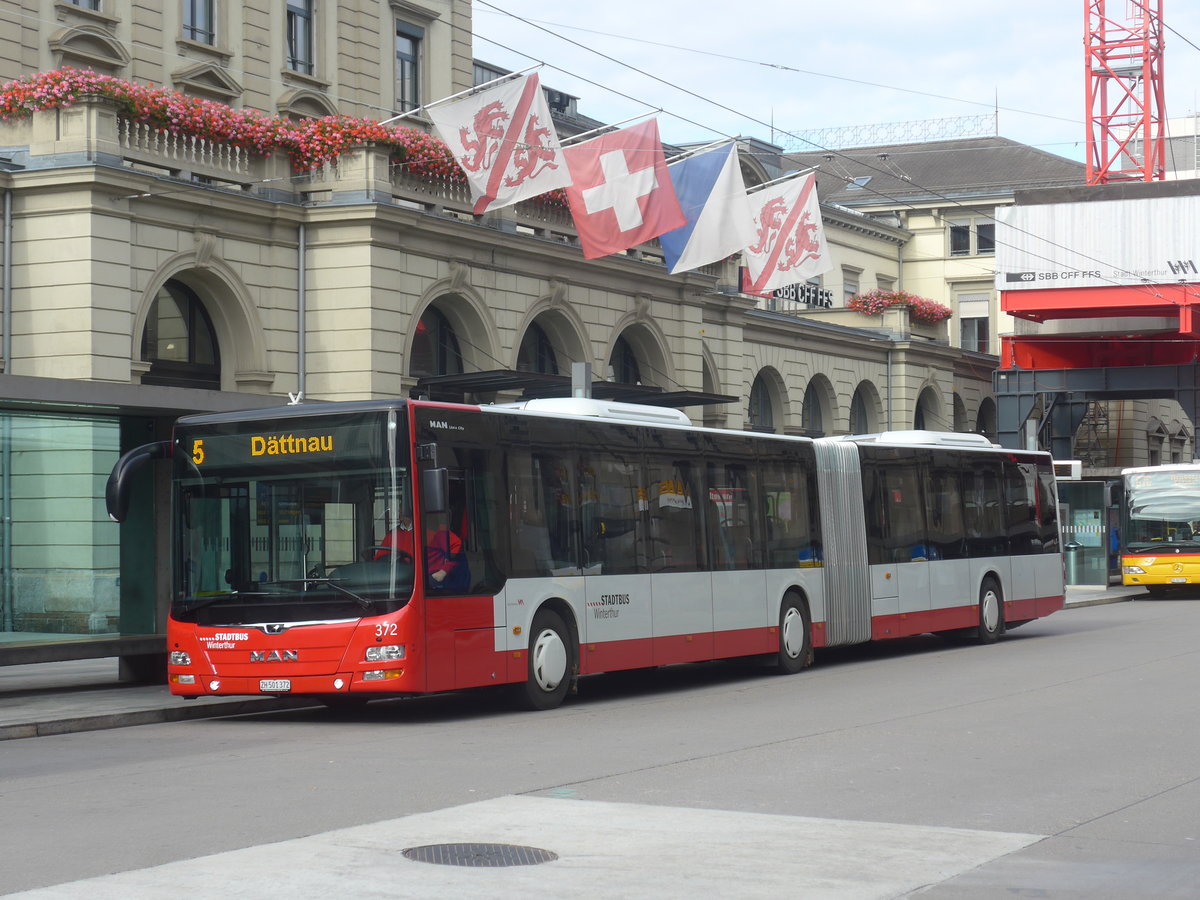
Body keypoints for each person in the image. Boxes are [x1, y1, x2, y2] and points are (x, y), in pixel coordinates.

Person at [376, 515, 466, 591]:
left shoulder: (433, 528)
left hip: (427, 582)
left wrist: (443, 571)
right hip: (400, 582)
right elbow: (379, 559)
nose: (400, 512)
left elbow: (456, 545)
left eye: (403, 508)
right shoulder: (392, 535)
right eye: (399, 508)